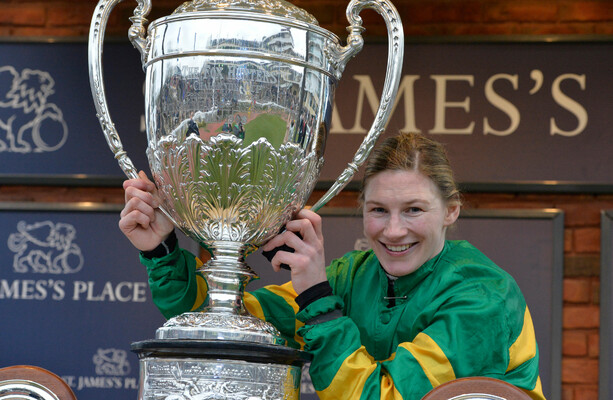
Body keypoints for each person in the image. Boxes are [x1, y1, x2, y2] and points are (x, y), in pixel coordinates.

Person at [119, 132, 545, 400]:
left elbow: (379, 397)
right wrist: (161, 249)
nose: (394, 231)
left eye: (414, 210)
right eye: (379, 210)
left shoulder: (482, 296)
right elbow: (222, 322)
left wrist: (317, 300)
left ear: (451, 211)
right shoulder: (351, 275)